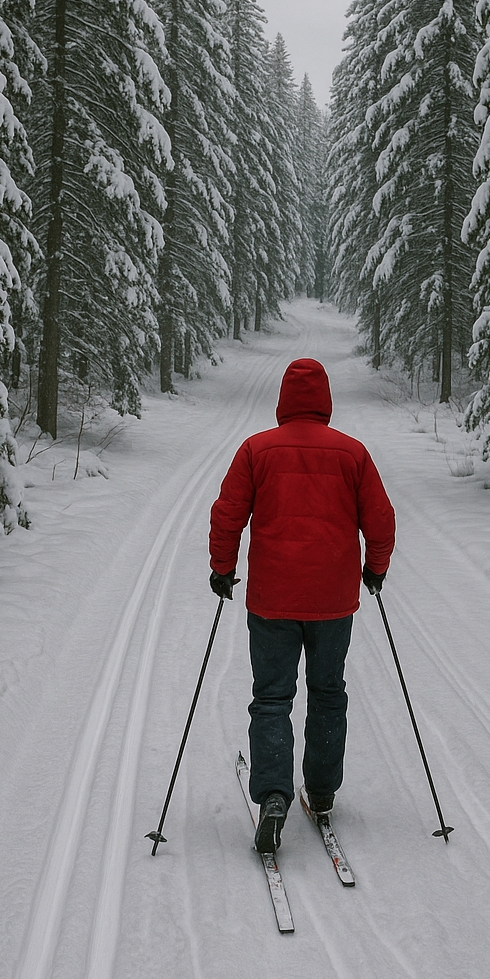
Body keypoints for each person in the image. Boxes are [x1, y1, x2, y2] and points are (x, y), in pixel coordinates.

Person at [209, 356, 395, 854]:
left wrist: (222, 569)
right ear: (326, 402)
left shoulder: (256, 450)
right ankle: (321, 789)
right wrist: (375, 570)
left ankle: (273, 796)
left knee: (272, 696)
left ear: (283, 401)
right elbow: (381, 520)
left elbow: (227, 513)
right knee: (328, 692)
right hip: (333, 601)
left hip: (271, 601)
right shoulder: (352, 453)